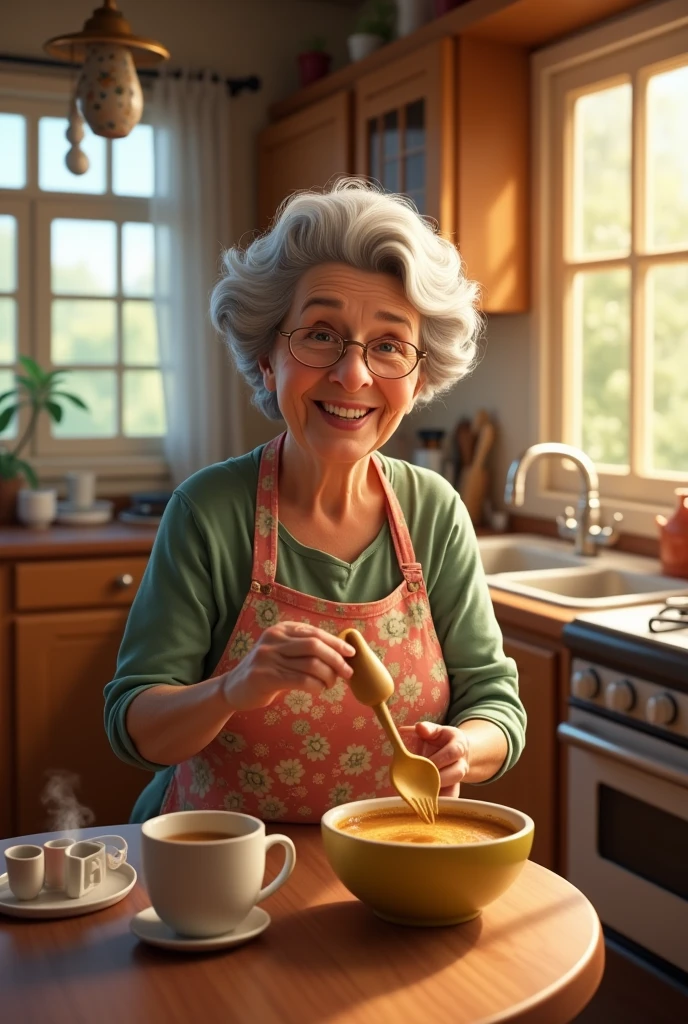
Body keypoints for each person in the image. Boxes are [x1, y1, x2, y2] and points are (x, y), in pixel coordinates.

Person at [104, 178, 526, 823]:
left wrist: (465, 747)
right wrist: (234, 689)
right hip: (222, 871)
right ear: (269, 359)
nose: (353, 375)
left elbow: (495, 700)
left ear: (417, 378)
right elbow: (137, 728)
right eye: (321, 334)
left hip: (391, 865)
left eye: (389, 344)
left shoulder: (434, 512)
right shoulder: (209, 512)